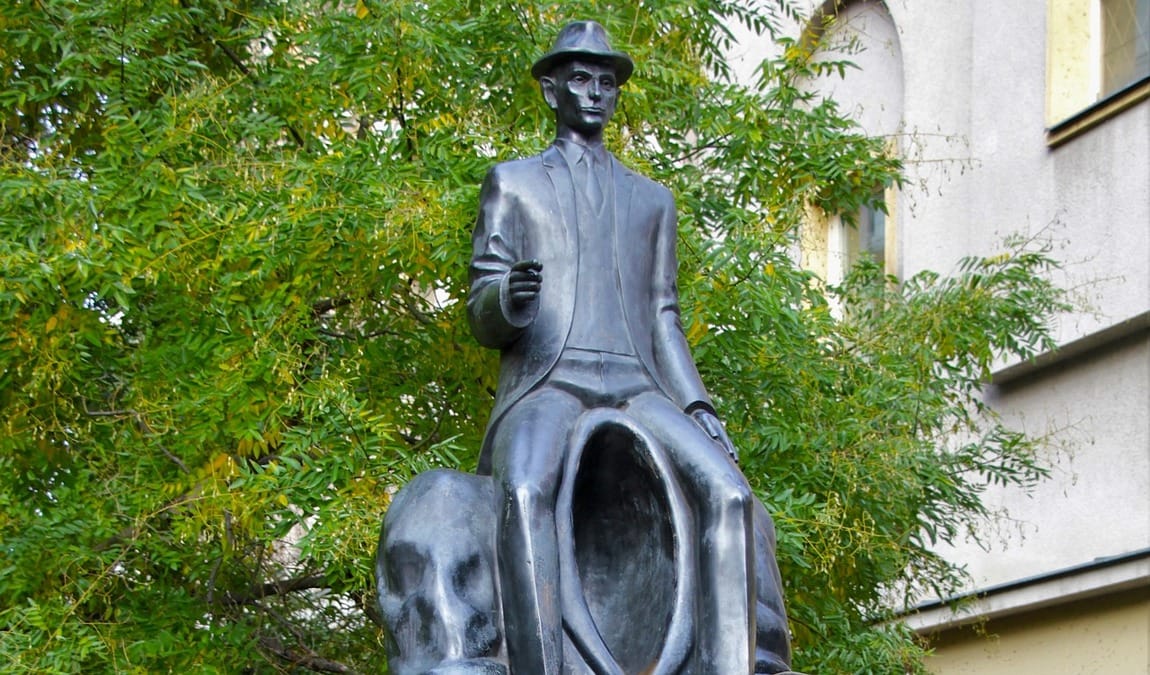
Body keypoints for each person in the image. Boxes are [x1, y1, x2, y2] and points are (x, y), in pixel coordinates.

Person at [468, 21, 788, 674]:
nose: (595, 93)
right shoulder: (514, 184)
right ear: (552, 90)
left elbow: (664, 317)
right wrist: (511, 301)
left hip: (640, 386)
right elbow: (482, 309)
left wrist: (698, 407)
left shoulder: (652, 200)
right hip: (548, 383)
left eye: (607, 83)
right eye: (580, 80)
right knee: (526, 489)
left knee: (729, 494)